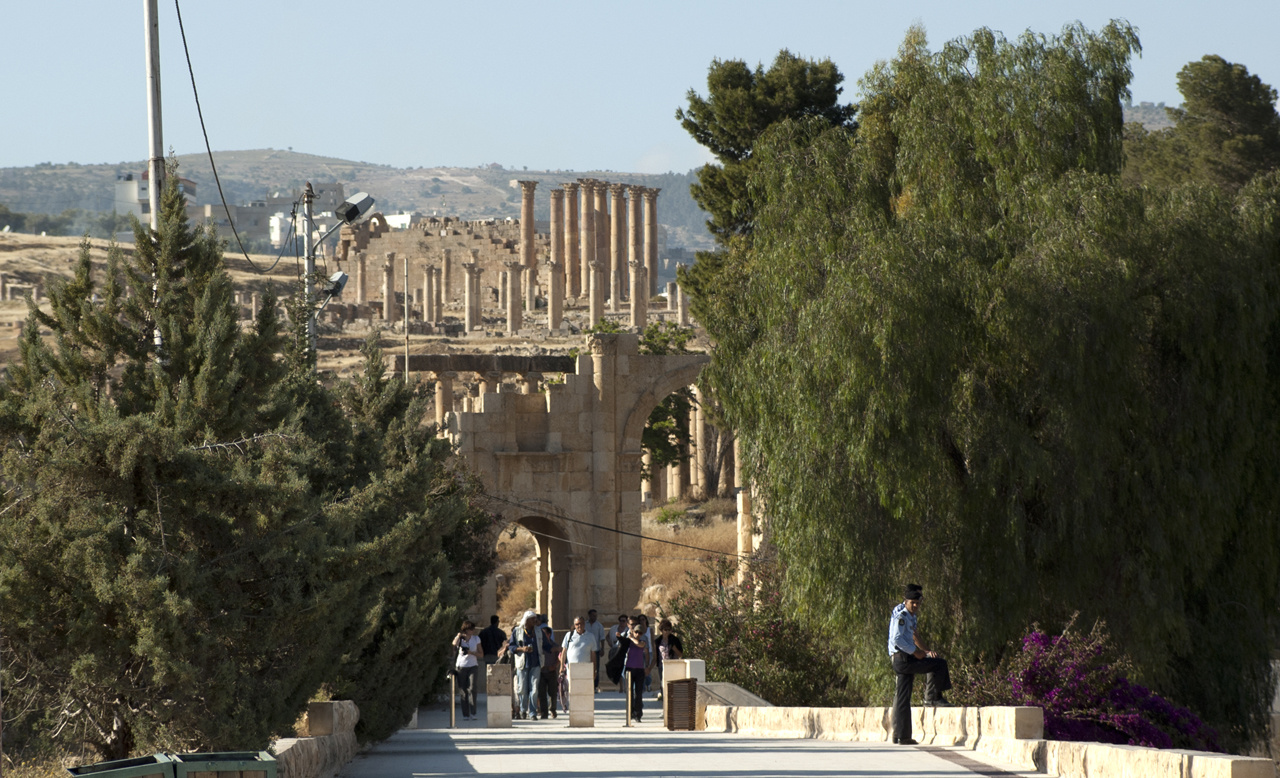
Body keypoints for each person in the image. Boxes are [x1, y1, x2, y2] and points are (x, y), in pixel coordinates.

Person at [888, 583, 952, 745]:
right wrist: (915, 652)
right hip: (903, 658)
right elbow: (897, 639)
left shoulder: (910, 614)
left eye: (918, 603)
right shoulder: (902, 615)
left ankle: (900, 735)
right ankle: (932, 697)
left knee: (902, 697)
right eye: (912, 602)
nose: (915, 606)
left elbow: (914, 635)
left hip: (903, 658)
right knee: (938, 665)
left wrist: (927, 651)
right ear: (906, 600)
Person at [509, 610, 553, 720]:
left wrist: (555, 648)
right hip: (522, 664)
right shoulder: (517, 631)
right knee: (523, 689)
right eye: (533, 619)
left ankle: (532, 713)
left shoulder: (539, 632)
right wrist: (521, 649)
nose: (535, 621)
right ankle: (523, 710)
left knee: (534, 689)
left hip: (536, 664)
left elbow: (546, 645)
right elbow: (511, 647)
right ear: (527, 620)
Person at [560, 616, 600, 711]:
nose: (579, 626)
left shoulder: (590, 636)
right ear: (574, 625)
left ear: (584, 624)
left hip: (585, 668)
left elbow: (593, 654)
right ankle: (573, 709)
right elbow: (564, 651)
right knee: (571, 690)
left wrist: (594, 669)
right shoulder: (569, 635)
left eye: (581, 623)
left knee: (584, 690)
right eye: (577, 624)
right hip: (571, 669)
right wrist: (562, 666)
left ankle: (583, 709)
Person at [618, 622, 651, 722]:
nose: (638, 634)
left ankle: (638, 714)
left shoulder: (643, 641)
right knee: (629, 692)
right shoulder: (629, 641)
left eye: (640, 633)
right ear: (633, 631)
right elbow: (621, 645)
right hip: (629, 669)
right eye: (636, 632)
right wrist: (620, 637)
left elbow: (640, 645)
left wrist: (647, 667)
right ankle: (630, 712)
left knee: (639, 693)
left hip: (640, 669)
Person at [452, 620, 483, 721]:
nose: (473, 631)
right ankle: (465, 714)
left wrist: (471, 652)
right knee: (463, 691)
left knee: (473, 688)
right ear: (466, 630)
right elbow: (453, 645)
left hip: (473, 665)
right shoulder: (460, 639)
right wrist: (458, 636)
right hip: (461, 666)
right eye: (471, 629)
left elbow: (481, 654)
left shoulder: (476, 639)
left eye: (473, 629)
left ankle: (473, 712)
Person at [654, 618, 683, 701]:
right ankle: (664, 706)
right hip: (662, 666)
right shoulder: (658, 641)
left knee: (672, 686)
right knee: (663, 685)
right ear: (661, 630)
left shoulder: (675, 640)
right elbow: (656, 655)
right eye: (665, 630)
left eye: (669, 630)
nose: (667, 632)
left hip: (673, 665)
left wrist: (674, 648)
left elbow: (680, 654)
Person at [538, 618, 561, 719]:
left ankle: (553, 709)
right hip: (541, 672)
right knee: (541, 693)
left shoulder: (554, 645)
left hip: (551, 671)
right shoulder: (539, 646)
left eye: (544, 634)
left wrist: (555, 666)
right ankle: (544, 712)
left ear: (548, 634)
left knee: (552, 693)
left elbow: (559, 657)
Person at [584, 609, 607, 692]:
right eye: (593, 615)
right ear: (589, 615)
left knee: (595, 668)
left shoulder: (599, 626)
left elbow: (602, 638)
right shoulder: (585, 625)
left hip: (596, 650)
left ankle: (595, 685)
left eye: (595, 615)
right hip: (586, 650)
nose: (594, 617)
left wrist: (602, 648)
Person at [607, 614, 630, 691]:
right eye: (620, 621)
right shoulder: (614, 628)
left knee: (624, 668)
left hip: (624, 651)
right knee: (617, 668)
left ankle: (626, 687)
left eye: (623, 621)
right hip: (615, 649)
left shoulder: (628, 630)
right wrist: (610, 643)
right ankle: (621, 687)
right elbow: (607, 636)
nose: (622, 622)